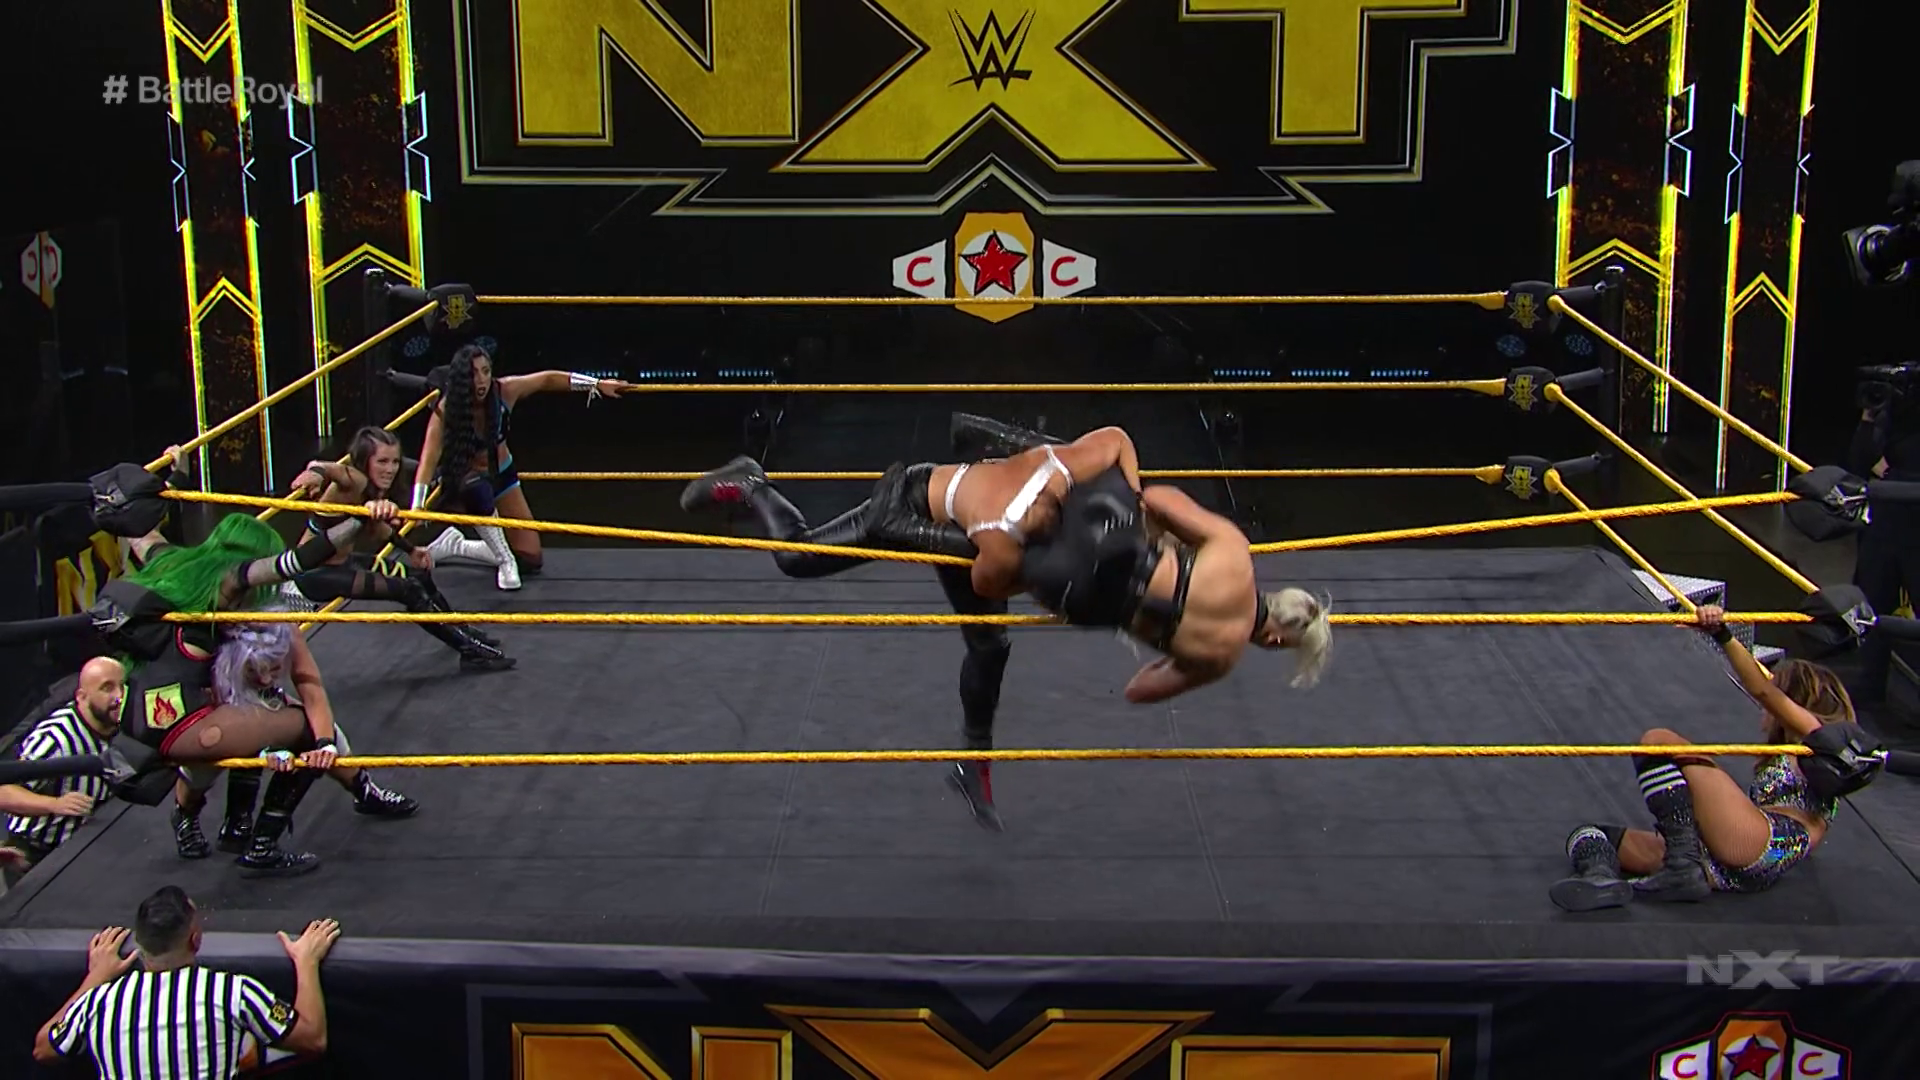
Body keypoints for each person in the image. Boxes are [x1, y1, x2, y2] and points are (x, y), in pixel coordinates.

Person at [681, 413, 1331, 826]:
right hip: (933, 504)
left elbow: (1136, 473)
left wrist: (1142, 529)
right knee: (799, 559)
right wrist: (1151, 623)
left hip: (1009, 524)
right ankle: (753, 484)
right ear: (1276, 638)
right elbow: (1137, 686)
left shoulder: (1229, 552)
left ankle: (974, 764)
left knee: (991, 646)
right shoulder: (1218, 657)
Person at [1550, 606, 1860, 911]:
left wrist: (1721, 633)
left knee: (1659, 741)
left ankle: (1681, 866)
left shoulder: (1820, 740)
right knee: (1592, 835)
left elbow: (1762, 690)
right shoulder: (1806, 756)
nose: (1766, 710)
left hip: (1765, 840)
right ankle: (1601, 878)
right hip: (1740, 865)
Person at [170, 614, 420, 863]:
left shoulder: (284, 626)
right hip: (209, 712)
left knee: (317, 734)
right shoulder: (202, 636)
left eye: (275, 668)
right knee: (202, 765)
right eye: (255, 670)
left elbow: (310, 687)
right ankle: (187, 814)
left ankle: (362, 791)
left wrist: (325, 745)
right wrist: (263, 751)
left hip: (261, 699)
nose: (266, 678)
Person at [33, 885, 336, 1076]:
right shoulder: (230, 992)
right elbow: (312, 1040)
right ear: (195, 940)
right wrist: (306, 962)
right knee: (257, 1046)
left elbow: (44, 1048)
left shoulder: (99, 1001)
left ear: (139, 942)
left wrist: (95, 976)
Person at [284, 425, 514, 672]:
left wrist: (411, 550)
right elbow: (325, 467)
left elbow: (378, 528)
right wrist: (316, 474)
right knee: (408, 589)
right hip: (313, 573)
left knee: (418, 575)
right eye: (382, 461)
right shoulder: (352, 479)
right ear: (365, 460)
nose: (390, 469)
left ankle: (459, 628)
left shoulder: (370, 488)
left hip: (341, 563)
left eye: (394, 461)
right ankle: (470, 652)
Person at [408, 343, 634, 590]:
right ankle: (504, 560)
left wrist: (596, 384)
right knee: (476, 490)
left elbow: (546, 379)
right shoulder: (447, 408)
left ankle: (457, 546)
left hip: (501, 473)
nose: (481, 380)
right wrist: (417, 506)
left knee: (530, 557)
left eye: (485, 371)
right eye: (474, 373)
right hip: (466, 481)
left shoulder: (504, 390)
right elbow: (429, 457)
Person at [0, 657, 123, 885]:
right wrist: (54, 804)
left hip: (83, 842)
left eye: (122, 686)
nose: (119, 697)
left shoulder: (122, 721)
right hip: (35, 853)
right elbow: (3, 791)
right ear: (82, 697)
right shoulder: (55, 739)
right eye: (107, 688)